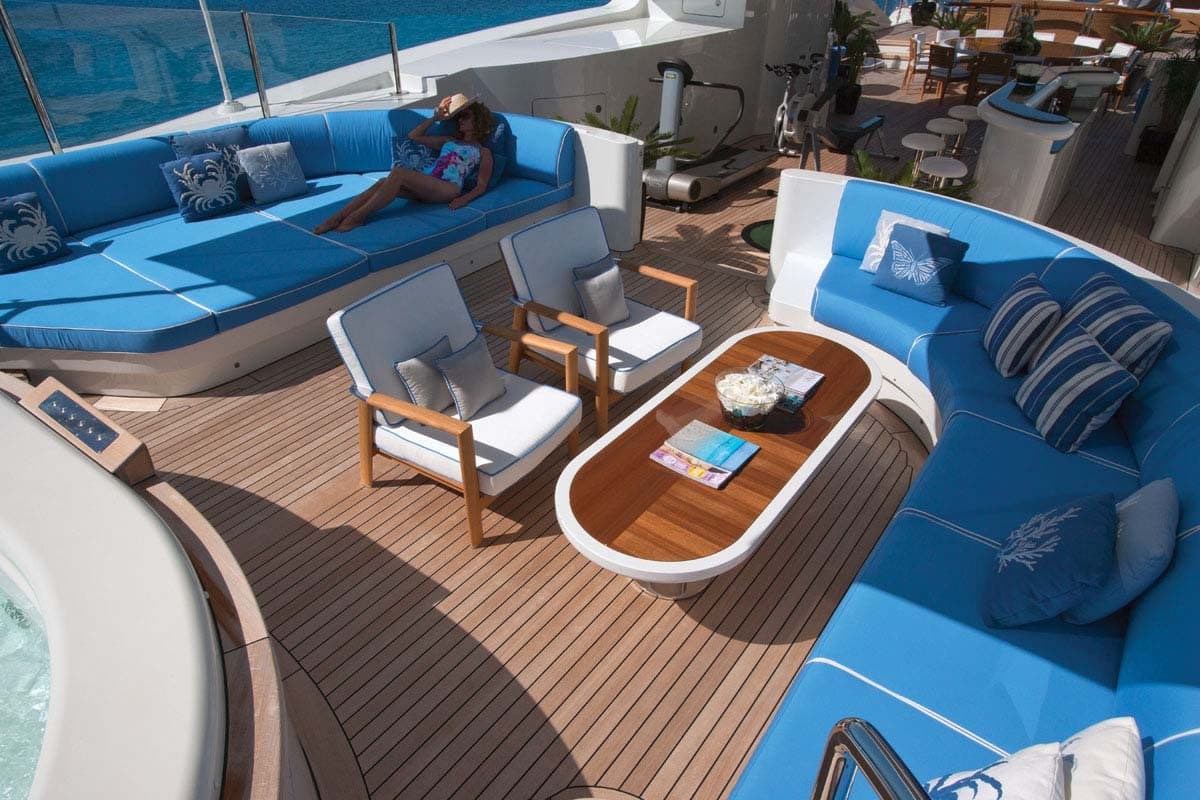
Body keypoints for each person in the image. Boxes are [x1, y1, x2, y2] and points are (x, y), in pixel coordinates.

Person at [314, 94, 494, 234]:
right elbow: (413, 136)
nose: (460, 120)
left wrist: (463, 199)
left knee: (399, 172)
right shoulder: (448, 141)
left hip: (448, 188)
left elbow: (481, 186)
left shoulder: (483, 151)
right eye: (459, 117)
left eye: (466, 116)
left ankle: (357, 217)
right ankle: (337, 217)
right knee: (382, 182)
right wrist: (435, 118)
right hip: (428, 184)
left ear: (478, 120)